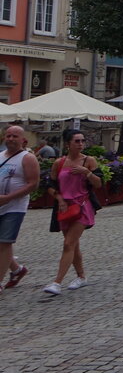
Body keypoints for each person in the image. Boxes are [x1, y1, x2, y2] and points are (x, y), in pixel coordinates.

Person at [42, 130, 103, 295]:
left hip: (82, 207)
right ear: (68, 143)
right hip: (65, 208)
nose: (81, 144)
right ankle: (81, 276)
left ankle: (57, 282)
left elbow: (98, 184)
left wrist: (87, 173)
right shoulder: (59, 163)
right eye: (77, 141)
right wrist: (59, 199)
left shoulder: (88, 161)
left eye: (82, 140)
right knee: (73, 245)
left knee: (68, 243)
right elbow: (50, 185)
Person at [0, 125, 39, 293]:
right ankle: (17, 270)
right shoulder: (0, 156)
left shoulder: (27, 158)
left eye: (14, 136)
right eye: (8, 136)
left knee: (4, 242)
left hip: (14, 206)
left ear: (23, 140)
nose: (10, 139)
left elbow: (33, 184)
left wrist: (8, 198)